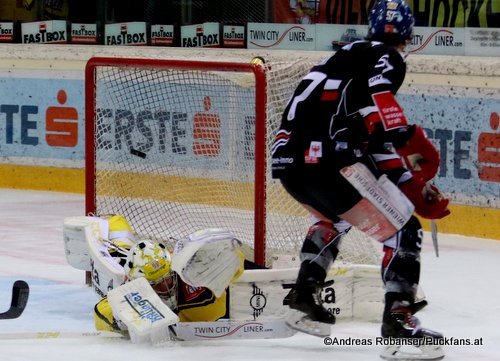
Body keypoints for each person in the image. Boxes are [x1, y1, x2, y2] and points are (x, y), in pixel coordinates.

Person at [271, 0, 450, 355]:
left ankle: (305, 294)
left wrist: (407, 183)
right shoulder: (388, 57)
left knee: (333, 218)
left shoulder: (337, 58)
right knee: (403, 230)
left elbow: (369, 135)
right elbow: (378, 102)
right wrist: (409, 140)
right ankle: (397, 322)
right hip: (329, 163)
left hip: (288, 164)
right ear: (409, 35)